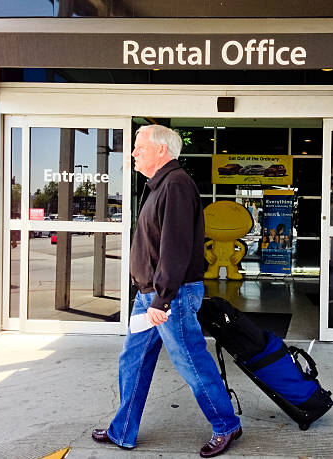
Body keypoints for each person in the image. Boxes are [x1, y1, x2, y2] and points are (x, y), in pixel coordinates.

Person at [92, 125, 242, 456]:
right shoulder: (160, 185)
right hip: (151, 294)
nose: (133, 153)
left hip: (169, 296)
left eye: (138, 146)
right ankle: (123, 429)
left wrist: (163, 298)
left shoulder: (175, 184)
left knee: (190, 361)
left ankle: (226, 425)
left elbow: (175, 247)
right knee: (132, 360)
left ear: (161, 150)